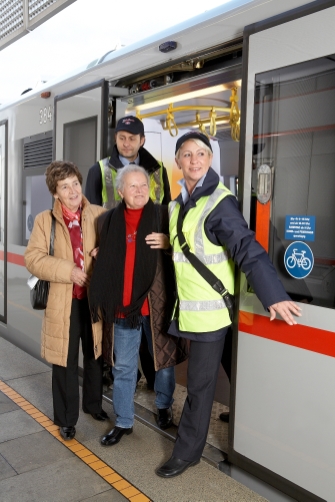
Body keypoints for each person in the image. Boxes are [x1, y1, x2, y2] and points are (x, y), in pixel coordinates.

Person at [155, 131, 302, 478]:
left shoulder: (219, 201)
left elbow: (246, 248)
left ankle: (186, 453)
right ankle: (258, 423)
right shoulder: (177, 205)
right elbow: (191, 247)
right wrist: (167, 241)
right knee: (238, 370)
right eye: (187, 154)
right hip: (198, 310)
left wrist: (274, 294)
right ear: (177, 161)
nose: (194, 160)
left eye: (201, 154)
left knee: (199, 386)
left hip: (212, 314)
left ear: (210, 160)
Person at [89, 164, 188, 446]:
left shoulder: (162, 215)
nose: (140, 190)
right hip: (125, 307)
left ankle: (164, 406)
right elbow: (107, 260)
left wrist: (170, 243)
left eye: (144, 185)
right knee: (124, 367)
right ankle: (123, 421)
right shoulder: (107, 221)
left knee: (164, 363)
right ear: (121, 191)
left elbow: (188, 248)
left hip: (157, 303)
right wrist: (100, 255)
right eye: (133, 186)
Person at [85, 114, 171, 388]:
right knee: (120, 324)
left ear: (142, 140)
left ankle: (154, 382)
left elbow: (167, 211)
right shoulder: (99, 170)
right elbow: (91, 215)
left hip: (150, 261)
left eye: (132, 138)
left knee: (151, 330)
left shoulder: (158, 171)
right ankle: (123, 376)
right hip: (115, 261)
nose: (126, 143)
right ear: (116, 139)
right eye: (122, 137)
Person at [24, 161, 108, 441]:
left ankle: (93, 404)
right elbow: (33, 259)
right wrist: (68, 271)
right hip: (64, 301)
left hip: (92, 298)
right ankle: (66, 418)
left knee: (95, 353)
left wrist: (102, 252)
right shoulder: (44, 220)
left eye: (74, 183)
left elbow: (117, 247)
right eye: (64, 186)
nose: (72, 190)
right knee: (65, 359)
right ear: (55, 192)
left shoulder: (98, 214)